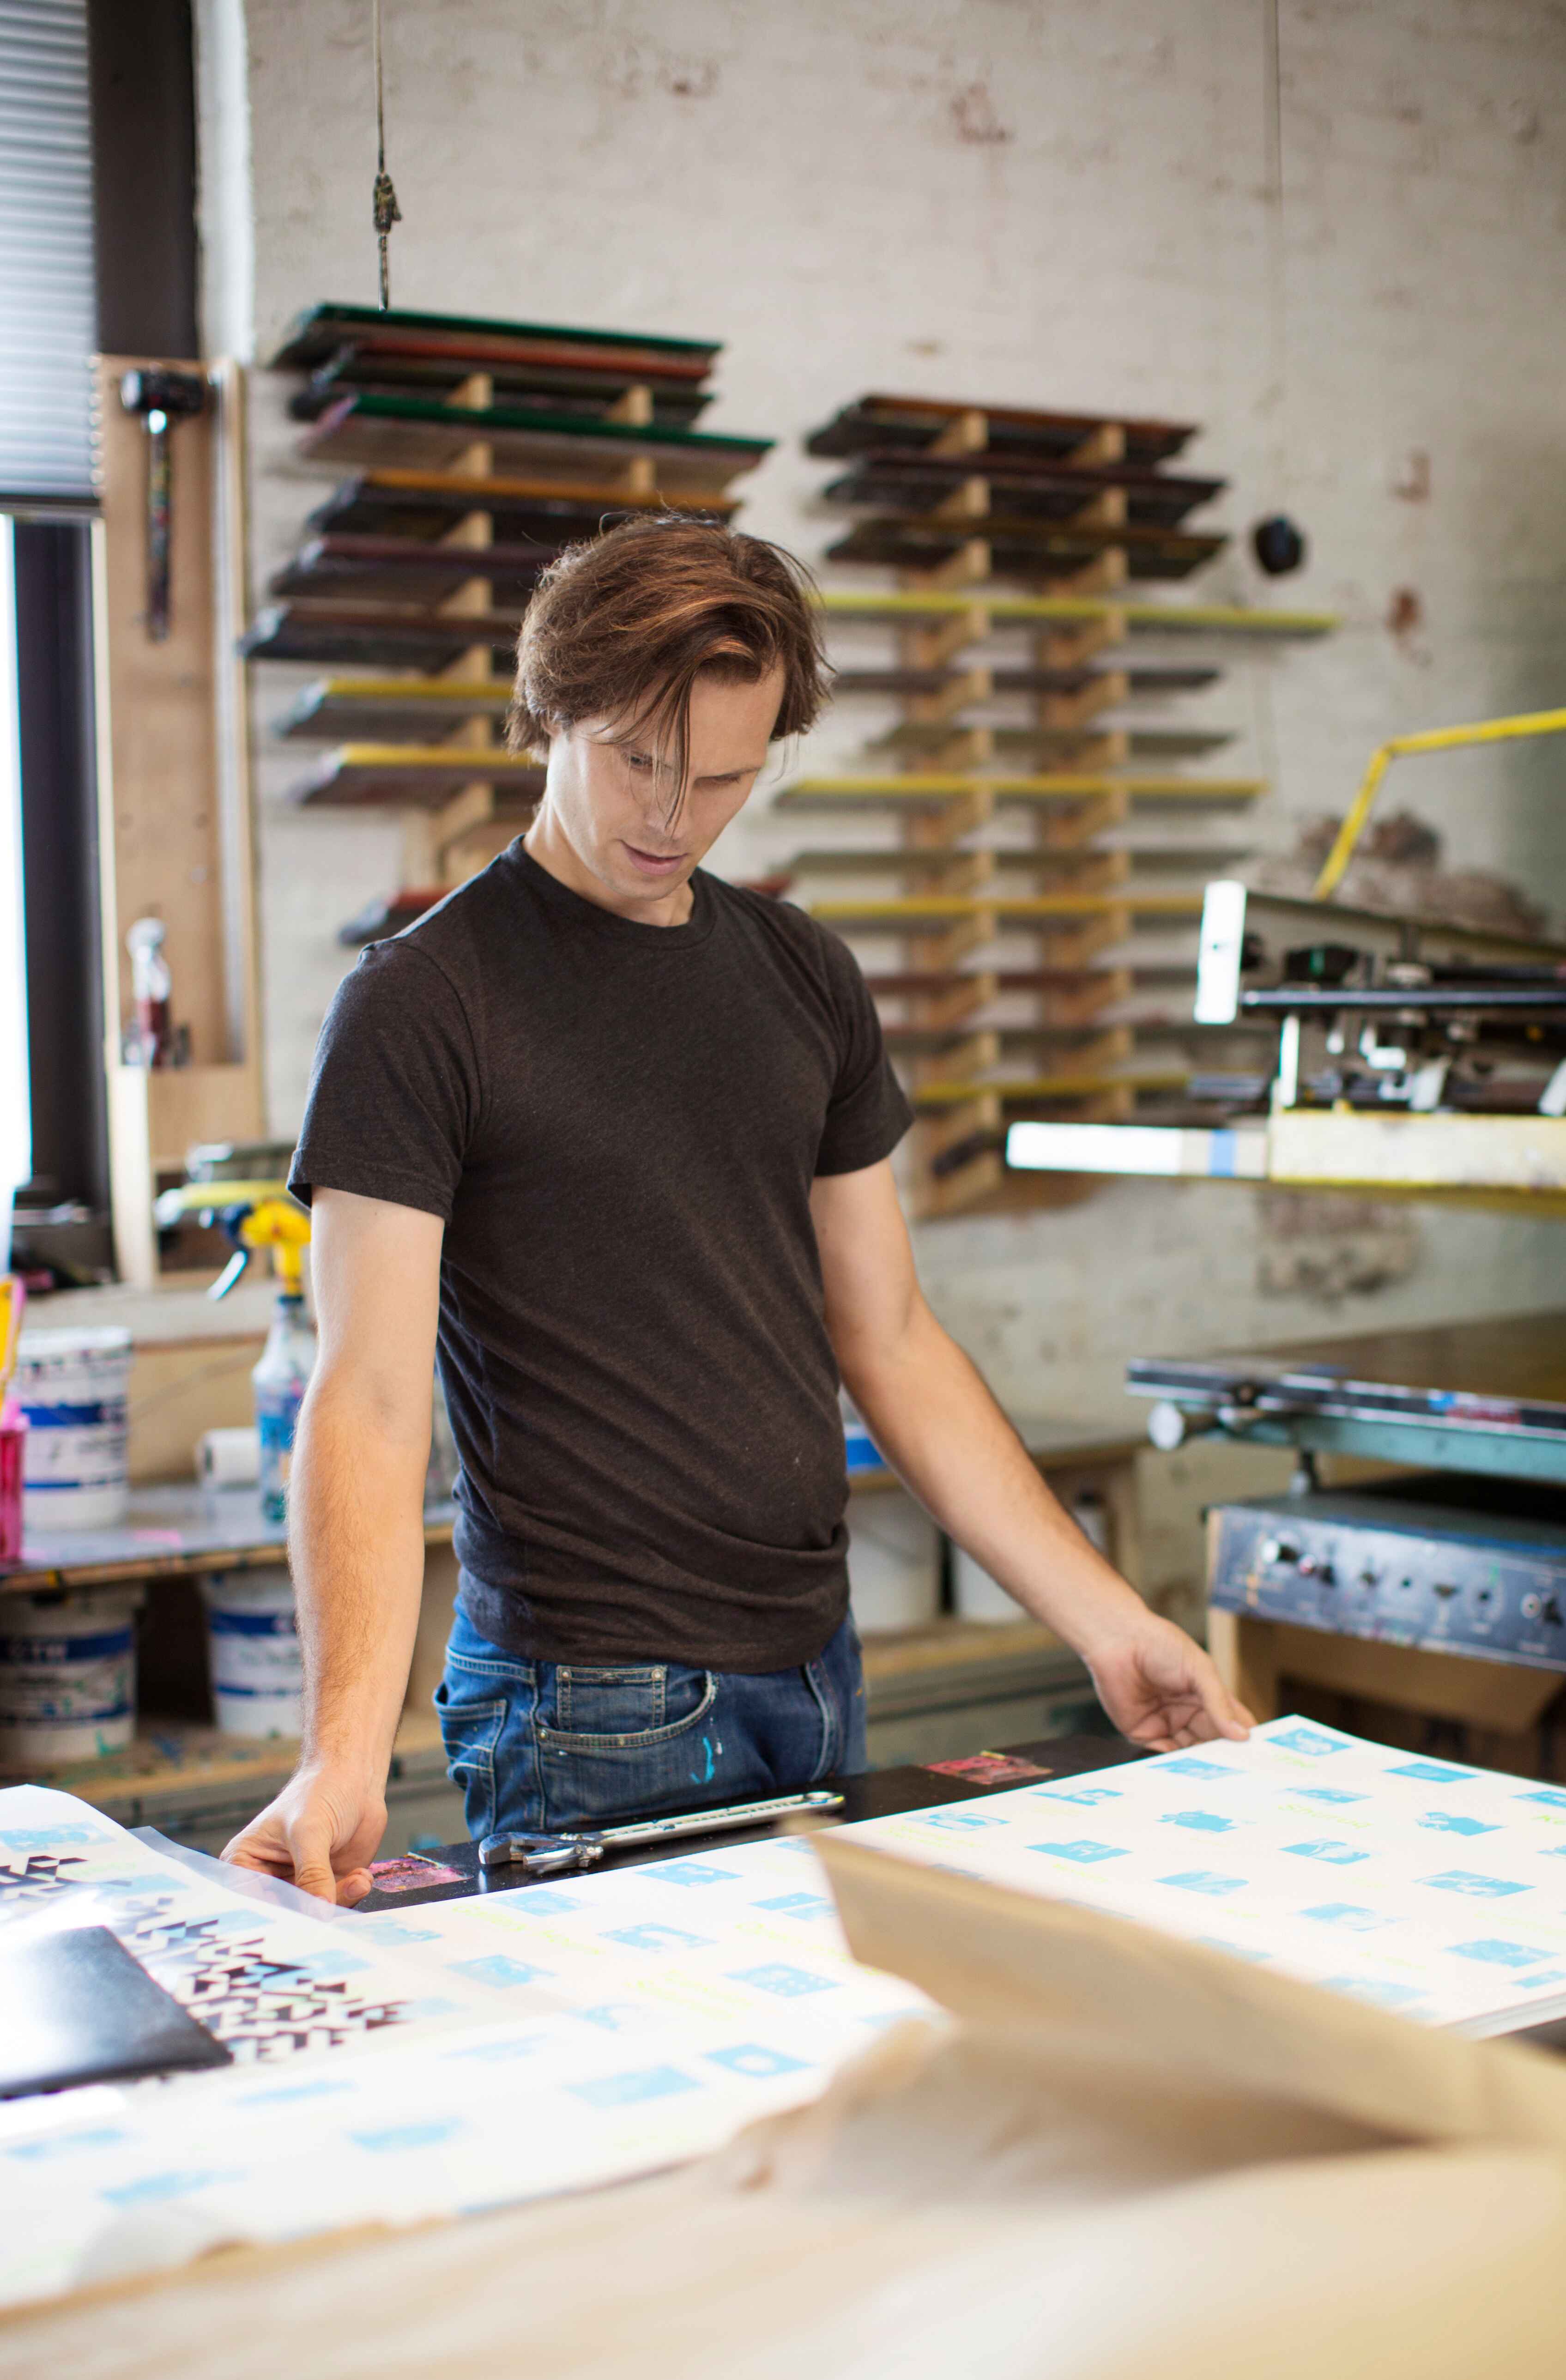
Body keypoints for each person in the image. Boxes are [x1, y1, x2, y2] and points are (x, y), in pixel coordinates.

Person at [224, 518, 1252, 1904]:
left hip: (815, 1661)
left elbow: (890, 1338)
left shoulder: (800, 971)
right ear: (547, 713)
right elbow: (368, 1402)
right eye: (636, 762)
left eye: (722, 777)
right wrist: (342, 1752)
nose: (672, 818)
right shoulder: (426, 1000)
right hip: (589, 1700)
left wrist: (1111, 1625)